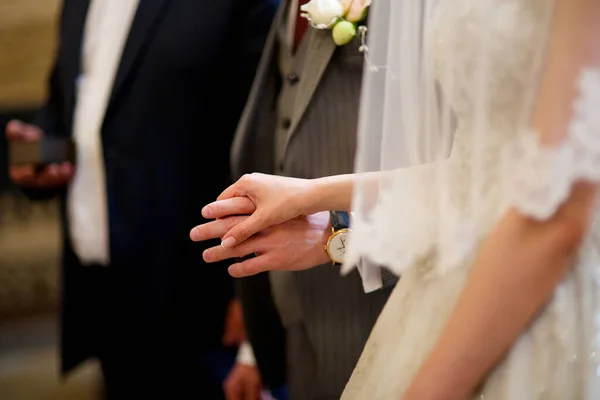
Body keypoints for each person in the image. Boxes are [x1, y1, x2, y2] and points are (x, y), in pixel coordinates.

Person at [193, 0, 600, 398]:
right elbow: (474, 170)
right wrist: (311, 195)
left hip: (530, 303)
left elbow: (555, 212)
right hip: (376, 306)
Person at [5, 0, 273, 398]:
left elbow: (267, 137)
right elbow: (69, 112)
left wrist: (257, 301)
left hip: (203, 306)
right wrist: (41, 158)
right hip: (104, 297)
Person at [194, 0, 395, 398]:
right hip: (295, 306)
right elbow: (279, 118)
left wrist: (343, 233)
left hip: (379, 299)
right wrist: (254, 346)